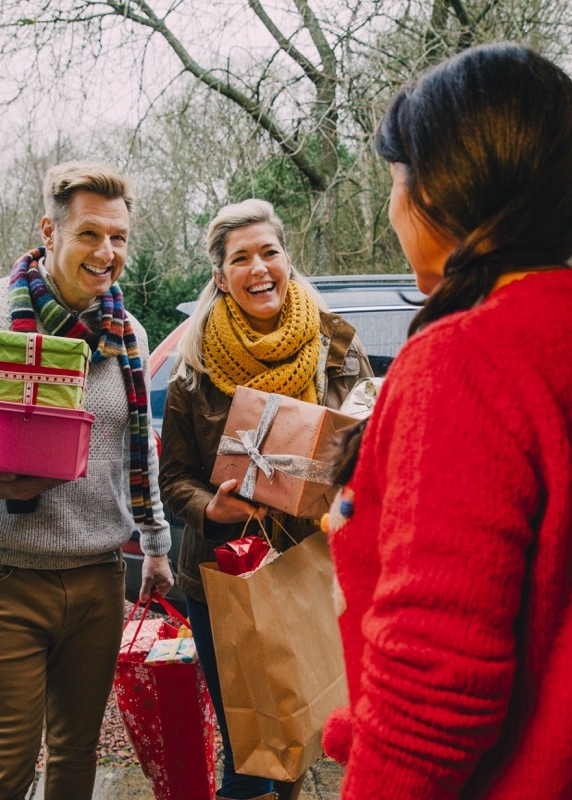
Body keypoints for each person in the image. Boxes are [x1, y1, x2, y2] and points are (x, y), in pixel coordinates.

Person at [320, 43, 572, 798]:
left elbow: (431, 689)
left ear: (437, 193)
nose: (390, 211)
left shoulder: (464, 358)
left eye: (395, 185)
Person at [0, 161, 174, 800]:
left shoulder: (126, 334)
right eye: (90, 235)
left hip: (98, 581)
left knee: (75, 766)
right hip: (2, 582)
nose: (107, 253)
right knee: (2, 772)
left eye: (119, 237)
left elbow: (137, 451)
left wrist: (155, 545)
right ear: (49, 230)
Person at [157, 198, 373, 800]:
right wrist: (211, 506)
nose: (259, 268)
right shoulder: (194, 369)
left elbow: (364, 452)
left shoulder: (337, 348)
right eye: (240, 257)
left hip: (317, 567)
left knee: (321, 725)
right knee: (251, 749)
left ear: (287, 259)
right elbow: (173, 477)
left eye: (269, 252)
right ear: (220, 277)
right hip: (225, 576)